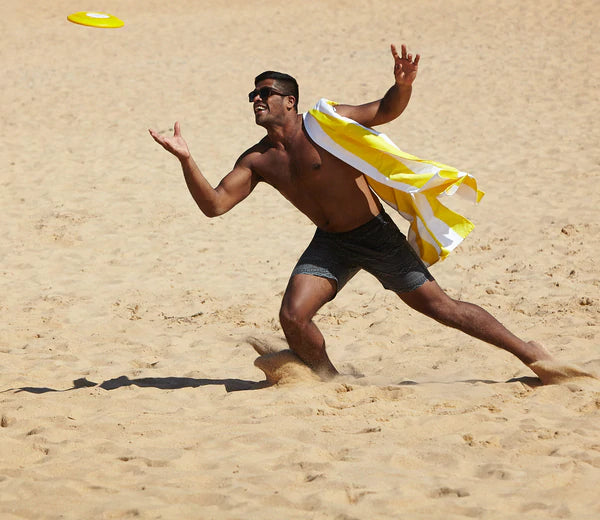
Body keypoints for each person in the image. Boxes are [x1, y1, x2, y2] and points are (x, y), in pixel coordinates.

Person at [149, 43, 553, 381]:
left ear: (289, 102)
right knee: (293, 316)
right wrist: (186, 160)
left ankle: (528, 352)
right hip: (330, 244)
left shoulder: (326, 122)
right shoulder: (258, 160)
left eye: (265, 93)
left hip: (374, 234)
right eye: (253, 95)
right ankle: (328, 381)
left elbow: (385, 110)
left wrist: (402, 84)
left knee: (440, 307)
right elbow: (214, 205)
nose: (256, 99)